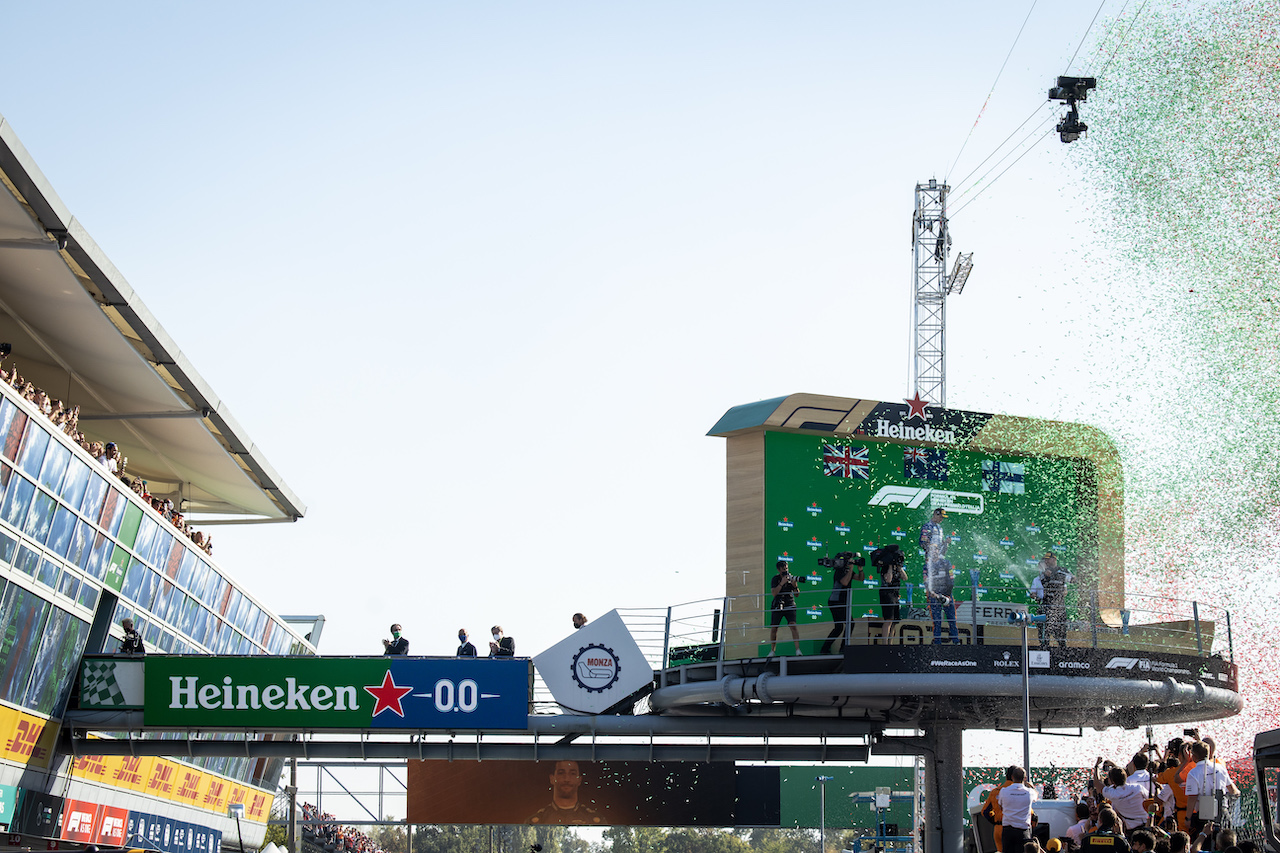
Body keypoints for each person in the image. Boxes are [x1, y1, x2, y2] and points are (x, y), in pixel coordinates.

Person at [1185, 742, 1238, 838]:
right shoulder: (1220, 768)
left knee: (1205, 842)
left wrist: (1188, 818)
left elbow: (1192, 797)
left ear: (1193, 756)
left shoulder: (1193, 773)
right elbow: (1232, 789)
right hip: (1222, 810)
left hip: (1204, 814)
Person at [528, 760, 602, 825]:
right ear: (552, 779)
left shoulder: (593, 820)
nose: (567, 779)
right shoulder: (538, 820)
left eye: (572, 773)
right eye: (561, 773)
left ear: (579, 780)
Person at [820, 552, 865, 654]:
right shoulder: (839, 571)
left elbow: (860, 578)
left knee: (839, 627)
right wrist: (850, 569)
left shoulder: (847, 570)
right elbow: (844, 582)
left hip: (841, 602)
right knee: (849, 624)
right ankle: (842, 648)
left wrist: (860, 569)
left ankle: (825, 648)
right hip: (836, 601)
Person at [1095, 759, 1149, 833]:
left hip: (1131, 829)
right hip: (1147, 824)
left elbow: (1097, 783)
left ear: (1112, 781)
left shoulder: (1113, 794)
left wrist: (1096, 766)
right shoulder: (1137, 788)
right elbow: (1150, 798)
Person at [1031, 553, 1072, 648]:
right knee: (1044, 630)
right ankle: (1044, 648)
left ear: (1054, 559)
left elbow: (1068, 585)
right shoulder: (1042, 575)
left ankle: (1062, 649)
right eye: (1044, 560)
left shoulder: (1061, 573)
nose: (1045, 562)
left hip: (1059, 606)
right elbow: (1041, 583)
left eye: (1047, 559)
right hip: (1045, 605)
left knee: (1061, 630)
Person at [998, 766, 1038, 853]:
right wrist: (1031, 786)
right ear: (1025, 778)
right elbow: (1036, 796)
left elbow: (1000, 806)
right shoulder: (1029, 792)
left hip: (1008, 830)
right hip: (1023, 830)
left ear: (1012, 777)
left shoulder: (1004, 791)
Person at [767, 560, 802, 656]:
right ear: (779, 570)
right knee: (774, 628)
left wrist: (795, 586)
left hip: (790, 603)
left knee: (793, 625)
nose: (785, 571)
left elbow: (797, 594)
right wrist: (782, 583)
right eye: (783, 569)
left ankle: (798, 650)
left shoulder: (791, 578)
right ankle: (772, 651)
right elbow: (774, 593)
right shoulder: (775, 579)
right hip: (778, 604)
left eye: (786, 568)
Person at [927, 557, 960, 645]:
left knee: (952, 619)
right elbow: (926, 581)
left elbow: (951, 579)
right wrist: (932, 593)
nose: (934, 551)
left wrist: (947, 596)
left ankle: (956, 642)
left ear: (939, 550)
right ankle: (937, 643)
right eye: (932, 548)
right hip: (934, 597)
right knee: (937, 621)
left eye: (936, 548)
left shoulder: (946, 563)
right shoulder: (927, 565)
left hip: (947, 594)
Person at [875, 545, 907, 624]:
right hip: (887, 594)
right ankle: (885, 636)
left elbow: (905, 578)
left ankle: (891, 636)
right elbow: (888, 580)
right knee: (889, 620)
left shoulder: (897, 568)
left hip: (895, 594)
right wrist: (890, 565)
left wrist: (899, 567)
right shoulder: (885, 568)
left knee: (895, 621)